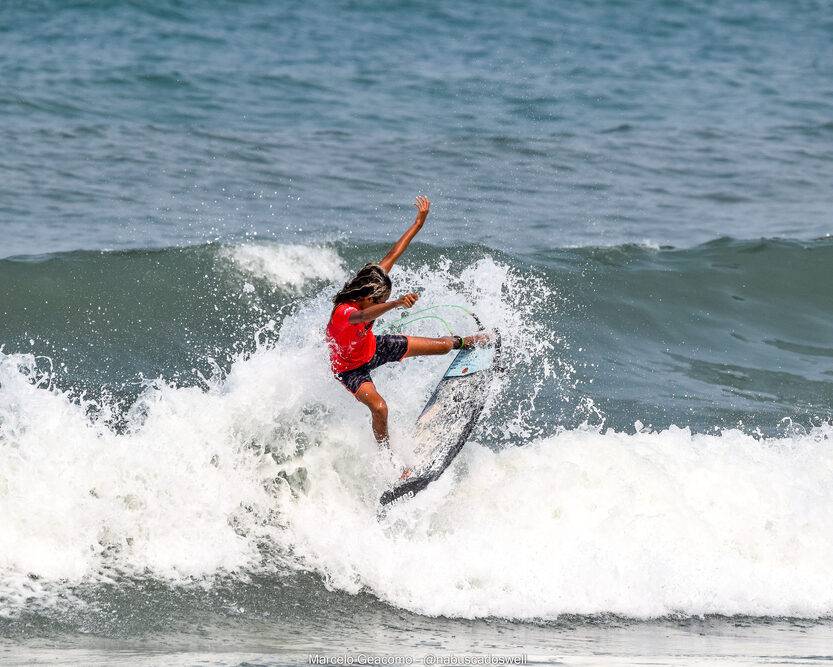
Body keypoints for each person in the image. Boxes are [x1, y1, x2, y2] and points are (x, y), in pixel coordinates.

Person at [326, 196, 485, 454]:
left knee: (445, 346)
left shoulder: (373, 280)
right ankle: (386, 457)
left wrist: (418, 223)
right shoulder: (345, 312)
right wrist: (397, 303)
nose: (384, 302)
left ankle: (466, 342)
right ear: (368, 298)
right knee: (379, 408)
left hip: (372, 347)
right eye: (381, 301)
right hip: (349, 368)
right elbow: (364, 317)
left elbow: (393, 253)